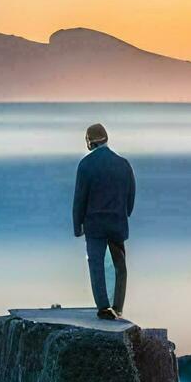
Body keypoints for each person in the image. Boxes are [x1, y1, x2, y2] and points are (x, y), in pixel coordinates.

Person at [72, 123, 135, 320]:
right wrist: (126, 213)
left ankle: (103, 307)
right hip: (117, 221)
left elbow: (80, 198)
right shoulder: (123, 164)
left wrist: (77, 225)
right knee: (119, 264)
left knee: (96, 263)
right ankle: (118, 306)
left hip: (94, 223)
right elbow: (131, 195)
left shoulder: (86, 165)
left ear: (90, 141)